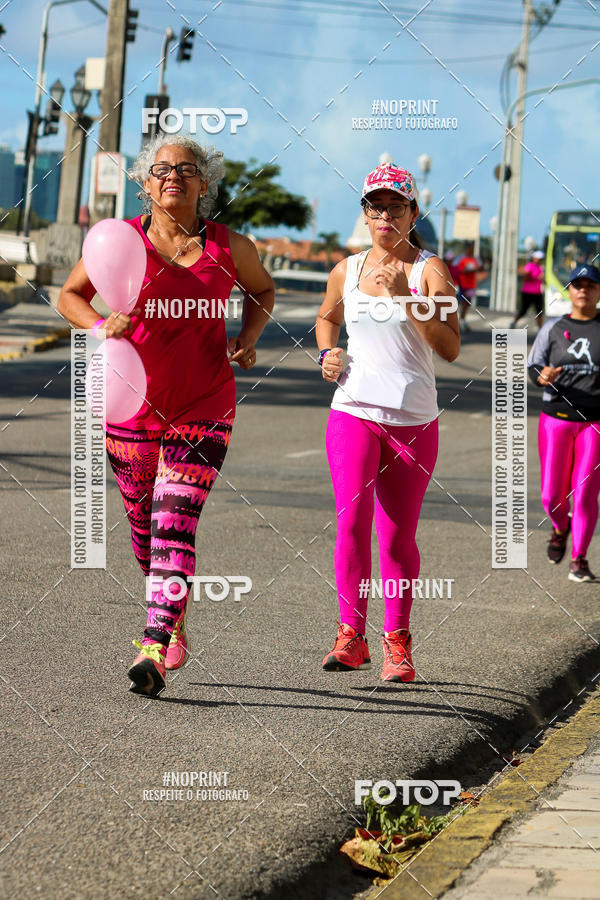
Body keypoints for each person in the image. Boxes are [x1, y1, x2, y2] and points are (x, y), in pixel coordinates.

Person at [58, 135, 274, 695]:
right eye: (161, 169)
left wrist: (247, 338)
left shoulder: (231, 248)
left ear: (206, 183)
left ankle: (153, 641)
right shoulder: (119, 241)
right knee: (144, 534)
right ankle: (173, 612)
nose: (173, 176)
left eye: (186, 169)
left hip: (204, 406)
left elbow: (263, 290)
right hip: (129, 407)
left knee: (174, 519)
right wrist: (100, 327)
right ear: (145, 183)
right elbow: (70, 296)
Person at [315, 162, 460, 682]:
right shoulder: (347, 270)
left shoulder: (429, 270)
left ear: (412, 212)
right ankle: (350, 636)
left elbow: (449, 346)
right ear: (365, 213)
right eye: (376, 206)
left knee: (397, 536)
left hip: (413, 420)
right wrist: (327, 353)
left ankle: (398, 645)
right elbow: (327, 317)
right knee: (351, 522)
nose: (385, 215)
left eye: (396, 206)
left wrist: (405, 296)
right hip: (353, 411)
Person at [527, 263, 600, 583]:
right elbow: (534, 367)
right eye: (577, 285)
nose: (583, 290)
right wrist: (542, 377)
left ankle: (579, 559)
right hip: (556, 418)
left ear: (598, 292)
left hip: (594, 423)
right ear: (568, 290)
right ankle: (559, 528)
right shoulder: (554, 328)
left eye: (591, 285)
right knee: (550, 496)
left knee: (584, 493)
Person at [511, 249, 545, 329]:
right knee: (523, 310)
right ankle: (514, 322)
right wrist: (537, 278)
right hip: (527, 292)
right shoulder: (530, 266)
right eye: (538, 258)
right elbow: (525, 278)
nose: (539, 260)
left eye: (541, 259)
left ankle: (540, 329)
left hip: (537, 293)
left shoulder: (540, 267)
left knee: (539, 311)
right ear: (534, 258)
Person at [457, 241, 481, 332]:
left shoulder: (474, 259)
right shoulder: (463, 260)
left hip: (471, 285)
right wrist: (469, 270)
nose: (472, 250)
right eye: (470, 248)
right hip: (464, 285)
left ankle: (462, 320)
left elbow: (479, 268)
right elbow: (460, 271)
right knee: (464, 304)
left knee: (466, 305)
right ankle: (461, 321)